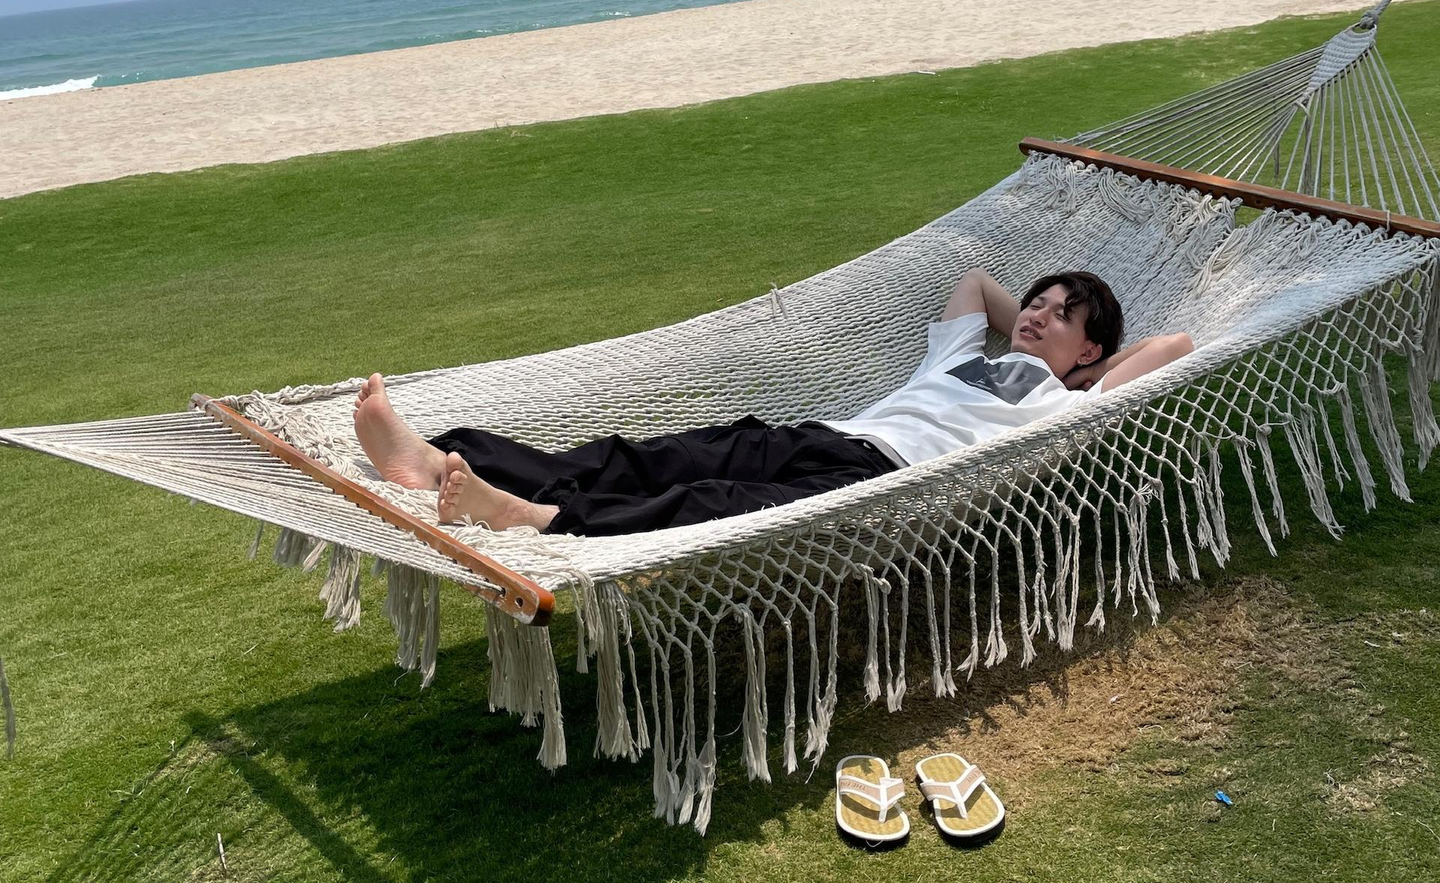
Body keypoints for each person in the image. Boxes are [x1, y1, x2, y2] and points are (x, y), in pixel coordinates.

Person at [351, 268, 1193, 538]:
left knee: (708, 506)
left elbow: (1172, 347)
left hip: (885, 478)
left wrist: (1074, 372)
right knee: (652, 457)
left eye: (1061, 315)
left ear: (1092, 351)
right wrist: (1042, 324)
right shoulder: (965, 356)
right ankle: (438, 458)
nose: (1036, 315)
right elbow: (973, 281)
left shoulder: (1063, 407)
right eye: (1034, 303)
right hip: (827, 434)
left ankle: (533, 519)